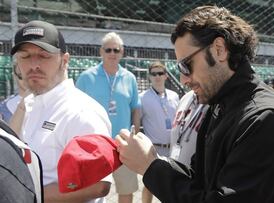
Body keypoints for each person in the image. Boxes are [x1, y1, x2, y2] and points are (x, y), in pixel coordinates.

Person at [116, 5, 274, 203]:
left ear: (219, 50)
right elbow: (200, 180)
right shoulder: (221, 105)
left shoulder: (266, 119)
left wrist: (151, 167)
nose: (183, 79)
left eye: (186, 65)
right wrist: (152, 160)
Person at [11, 20, 112, 203]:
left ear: (64, 61)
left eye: (43, 56)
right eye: (25, 56)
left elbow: (97, 185)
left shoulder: (82, 111)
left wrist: (26, 196)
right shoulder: (29, 105)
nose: (34, 65)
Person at [76, 32, 141, 203]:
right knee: (91, 191)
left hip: (122, 144)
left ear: (122, 52)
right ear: (101, 52)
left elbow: (136, 109)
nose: (112, 53)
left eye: (116, 50)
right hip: (94, 144)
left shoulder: (130, 78)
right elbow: (75, 108)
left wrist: (135, 135)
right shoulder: (86, 78)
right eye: (108, 50)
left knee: (126, 189)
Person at [139, 61, 179, 203]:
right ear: (149, 76)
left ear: (166, 76)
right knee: (150, 185)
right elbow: (138, 123)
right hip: (154, 149)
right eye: (153, 74)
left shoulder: (174, 96)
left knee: (172, 185)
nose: (157, 76)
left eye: (160, 73)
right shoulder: (143, 97)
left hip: (174, 149)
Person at [169, 90, 209, 166]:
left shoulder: (214, 104)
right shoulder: (185, 98)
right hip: (174, 171)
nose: (183, 81)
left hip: (196, 175)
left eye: (189, 76)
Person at [0, 59, 27, 124]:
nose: (27, 79)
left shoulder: (50, 102)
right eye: (21, 76)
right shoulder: (3, 108)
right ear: (14, 75)